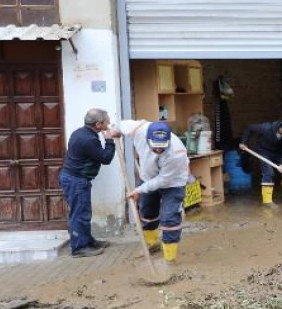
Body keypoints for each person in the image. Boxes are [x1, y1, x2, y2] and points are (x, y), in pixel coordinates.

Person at [119, 120, 190, 263]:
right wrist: (115, 130)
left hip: (173, 182)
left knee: (170, 217)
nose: (158, 150)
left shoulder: (176, 153)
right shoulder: (139, 130)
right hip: (148, 177)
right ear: (147, 138)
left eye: (162, 147)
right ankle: (152, 244)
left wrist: (139, 189)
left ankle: (169, 258)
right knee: (147, 211)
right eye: (155, 146)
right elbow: (122, 125)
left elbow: (163, 180)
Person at [60, 108, 121, 257]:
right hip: (76, 180)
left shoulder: (80, 133)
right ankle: (79, 248)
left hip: (75, 179)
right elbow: (105, 158)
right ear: (99, 124)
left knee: (83, 212)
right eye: (107, 121)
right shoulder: (88, 139)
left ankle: (87, 241)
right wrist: (109, 140)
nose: (109, 124)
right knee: (79, 214)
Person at [239, 119, 282, 208]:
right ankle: (267, 201)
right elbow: (250, 128)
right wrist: (243, 142)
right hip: (264, 151)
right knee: (268, 173)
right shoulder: (266, 128)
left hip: (278, 153)